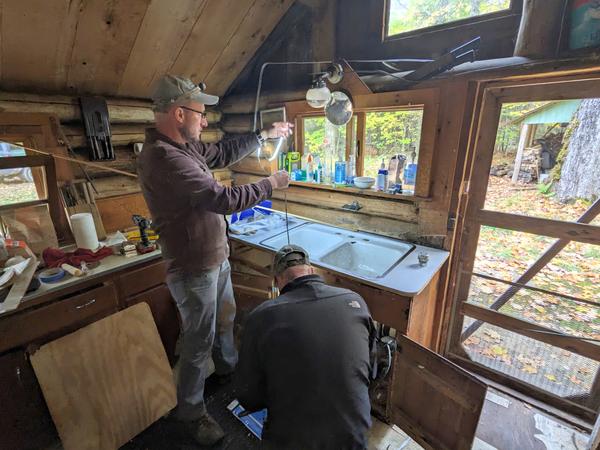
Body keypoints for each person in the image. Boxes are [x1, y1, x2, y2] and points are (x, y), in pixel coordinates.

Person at [137, 74, 291, 445]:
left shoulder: (184, 147)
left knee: (225, 321)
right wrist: (271, 184)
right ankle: (190, 413)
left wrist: (262, 135)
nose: (204, 121)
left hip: (215, 258)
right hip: (193, 268)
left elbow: (220, 153)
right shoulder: (164, 158)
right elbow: (221, 199)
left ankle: (228, 374)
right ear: (177, 114)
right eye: (200, 114)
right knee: (197, 342)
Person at [235, 245, 376, 450]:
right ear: (311, 271)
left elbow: (249, 398)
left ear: (277, 282)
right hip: (353, 437)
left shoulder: (261, 316)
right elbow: (369, 371)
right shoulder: (355, 300)